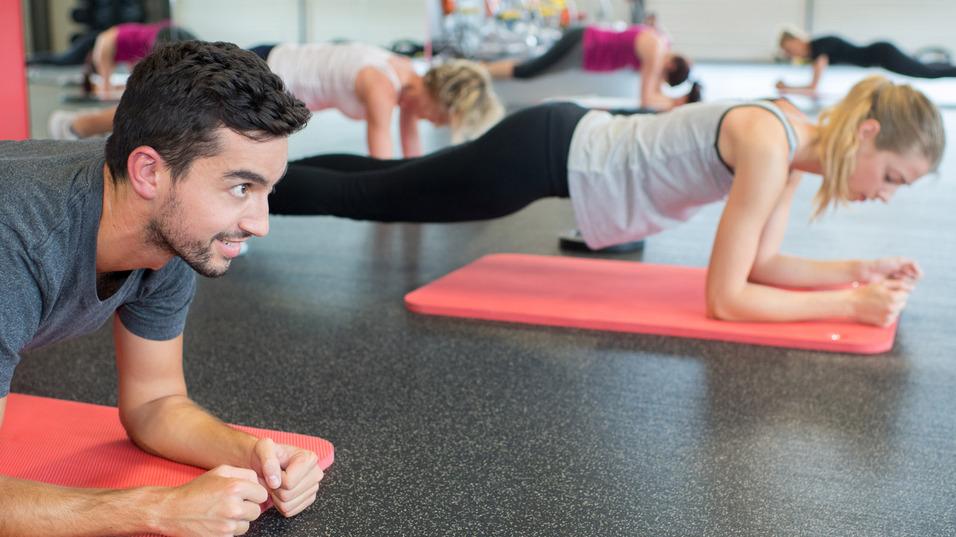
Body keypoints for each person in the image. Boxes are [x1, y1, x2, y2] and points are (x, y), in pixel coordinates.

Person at [270, 76, 943, 327]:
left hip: (554, 144)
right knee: (375, 197)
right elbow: (727, 298)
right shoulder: (772, 143)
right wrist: (848, 307)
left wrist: (860, 270)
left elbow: (763, 265)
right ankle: (244, 189)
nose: (885, 195)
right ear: (868, 133)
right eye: (892, 178)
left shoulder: (794, 143)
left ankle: (260, 174)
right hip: (541, 154)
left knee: (393, 180)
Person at [1, 41, 321, 536]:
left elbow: (154, 404)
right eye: (241, 188)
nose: (261, 224)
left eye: (267, 190)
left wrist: (253, 455)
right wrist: (159, 510)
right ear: (148, 171)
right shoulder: (17, 240)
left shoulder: (165, 234)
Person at [250, 41, 504, 158]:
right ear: (439, 98)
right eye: (442, 118)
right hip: (261, 72)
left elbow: (411, 148)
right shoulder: (382, 85)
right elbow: (379, 165)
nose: (437, 124)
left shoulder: (409, 81)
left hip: (273, 77)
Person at [484, 22, 700, 111]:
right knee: (527, 71)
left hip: (583, 50)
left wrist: (676, 101)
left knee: (529, 68)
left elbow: (655, 92)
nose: (657, 75)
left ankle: (482, 69)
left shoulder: (662, 45)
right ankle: (480, 70)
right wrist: (673, 103)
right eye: (662, 74)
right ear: (670, 65)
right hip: (583, 47)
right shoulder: (656, 50)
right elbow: (647, 99)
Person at [46, 21, 197, 140]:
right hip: (169, 36)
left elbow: (106, 93)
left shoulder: (101, 53)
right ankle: (85, 126)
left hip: (165, 40)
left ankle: (78, 126)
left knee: (150, 104)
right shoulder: (125, 48)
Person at [776, 29, 956, 95]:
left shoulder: (819, 48)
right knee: (925, 70)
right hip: (882, 53)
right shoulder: (818, 49)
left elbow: (812, 87)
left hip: (883, 55)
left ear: (796, 40)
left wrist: (787, 88)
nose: (791, 53)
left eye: (789, 48)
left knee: (926, 73)